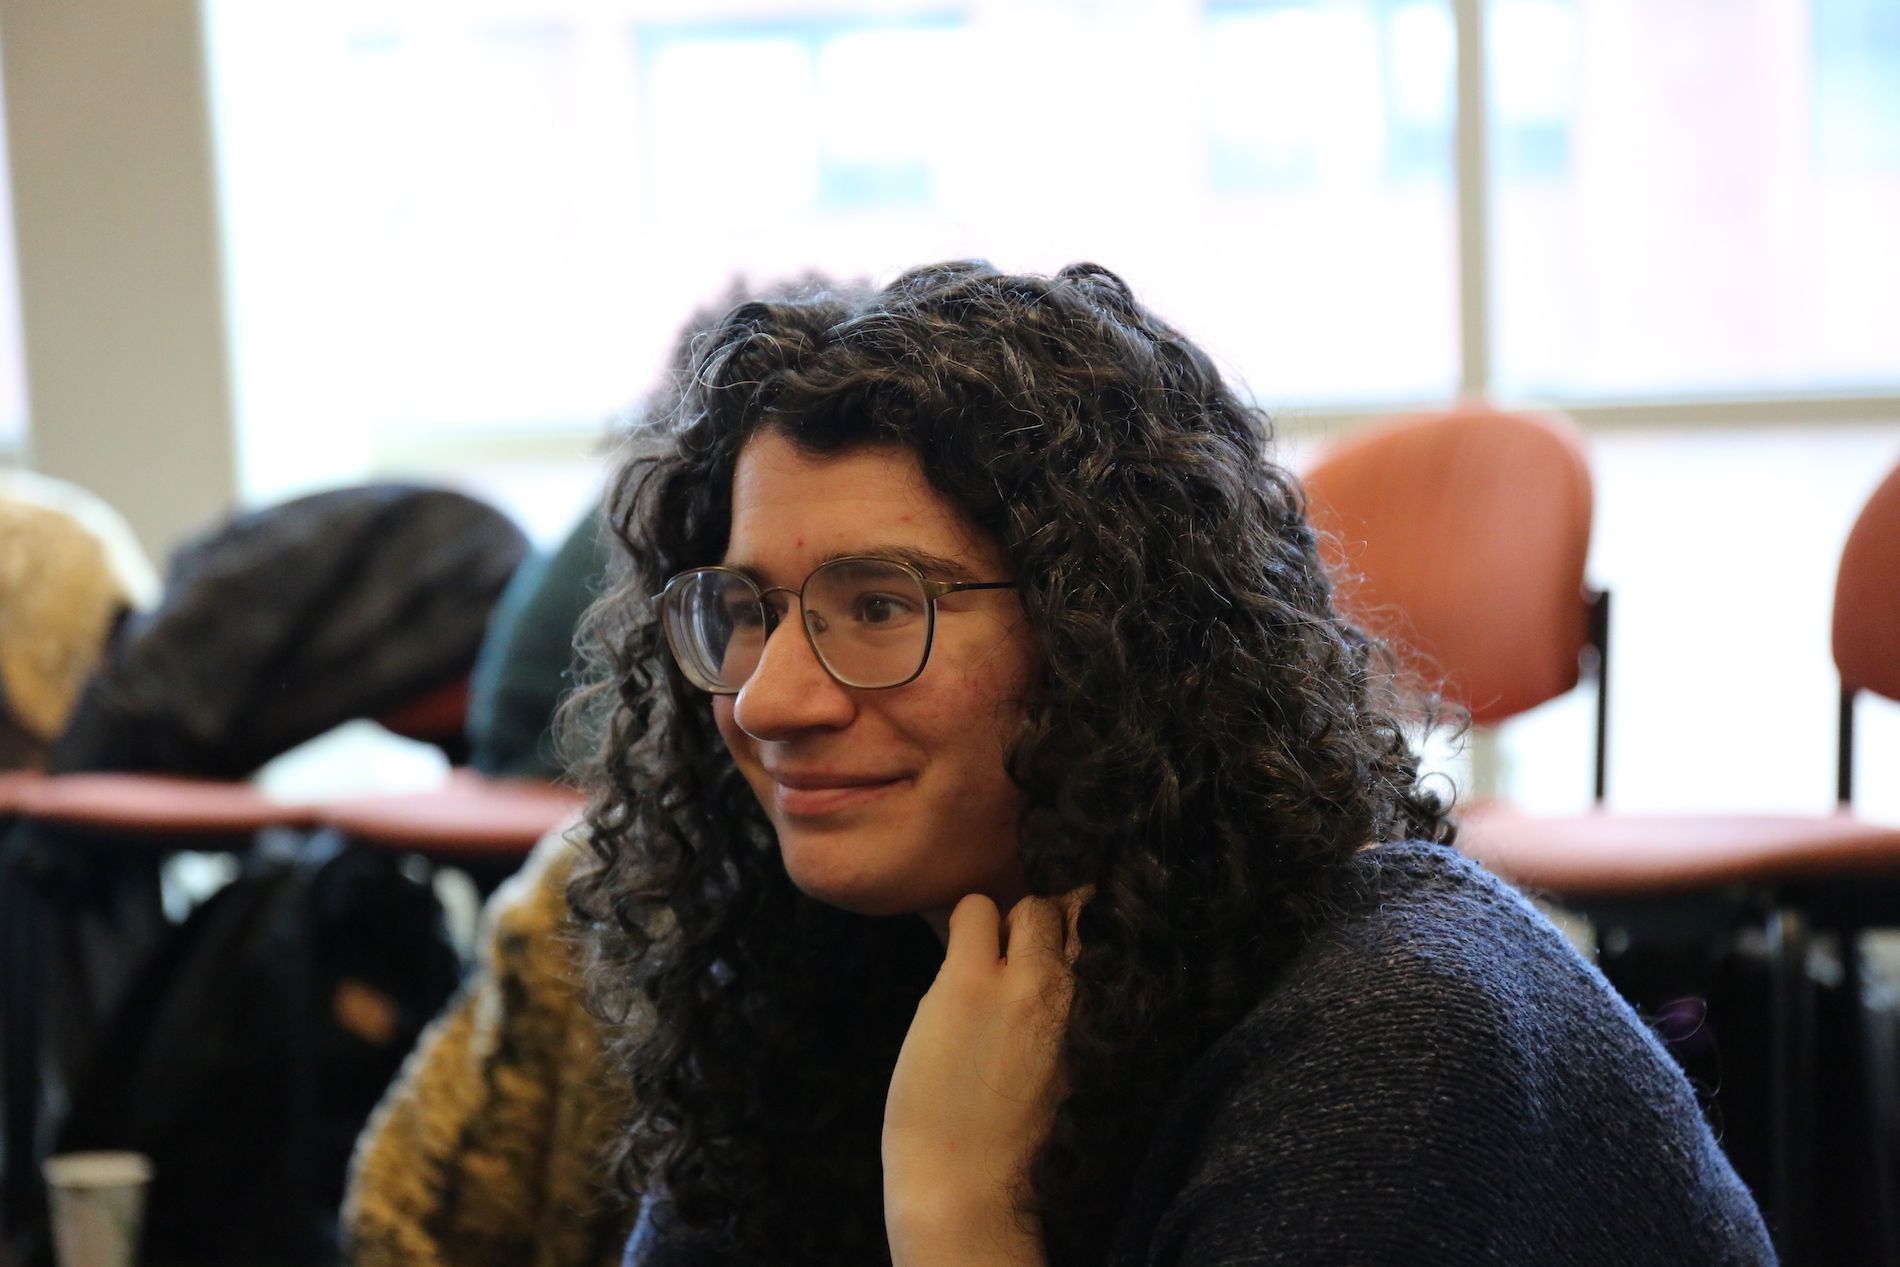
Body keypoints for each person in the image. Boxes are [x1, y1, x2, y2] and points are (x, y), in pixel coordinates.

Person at [568, 261, 1776, 1265]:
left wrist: (959, 1225)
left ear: (1112, 631)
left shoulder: (1391, 1042)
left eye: (879, 606)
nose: (771, 696)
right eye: (744, 609)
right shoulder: (829, 973)